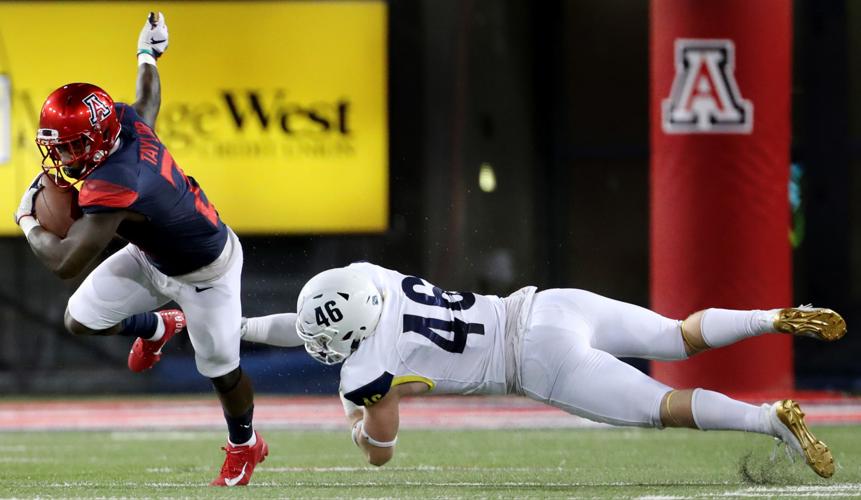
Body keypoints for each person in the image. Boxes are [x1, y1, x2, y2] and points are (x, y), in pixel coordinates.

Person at [242, 261, 846, 478]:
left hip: (534, 362)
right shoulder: (371, 278)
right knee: (678, 334)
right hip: (548, 305)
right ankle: (770, 316)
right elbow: (307, 326)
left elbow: (381, 451)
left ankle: (771, 422)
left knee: (665, 407)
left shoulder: (368, 366)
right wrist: (239, 328)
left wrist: (354, 420)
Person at [13, 13, 267, 486]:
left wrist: (27, 220)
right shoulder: (123, 124)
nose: (62, 158)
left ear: (95, 139)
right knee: (80, 319)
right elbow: (147, 98)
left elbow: (67, 261)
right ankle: (159, 326)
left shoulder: (115, 181)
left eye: (69, 147)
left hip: (206, 269)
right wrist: (147, 53)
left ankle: (245, 444)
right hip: (152, 256)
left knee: (220, 369)